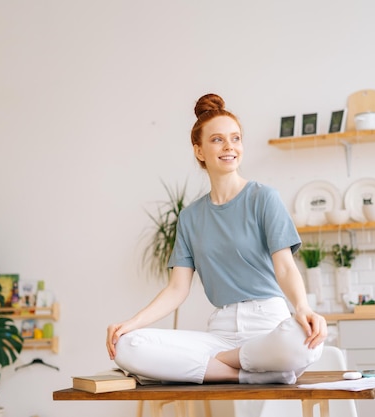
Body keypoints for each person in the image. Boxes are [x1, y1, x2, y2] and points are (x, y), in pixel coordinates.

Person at [106, 93, 327, 387]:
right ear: (199, 151)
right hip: (220, 333)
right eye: (217, 140)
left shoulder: (263, 198)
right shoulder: (190, 217)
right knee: (128, 346)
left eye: (236, 138)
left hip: (269, 325)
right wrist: (130, 324)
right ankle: (250, 374)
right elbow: (176, 289)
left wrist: (302, 308)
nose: (229, 147)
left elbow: (285, 267)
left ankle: (220, 366)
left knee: (300, 341)